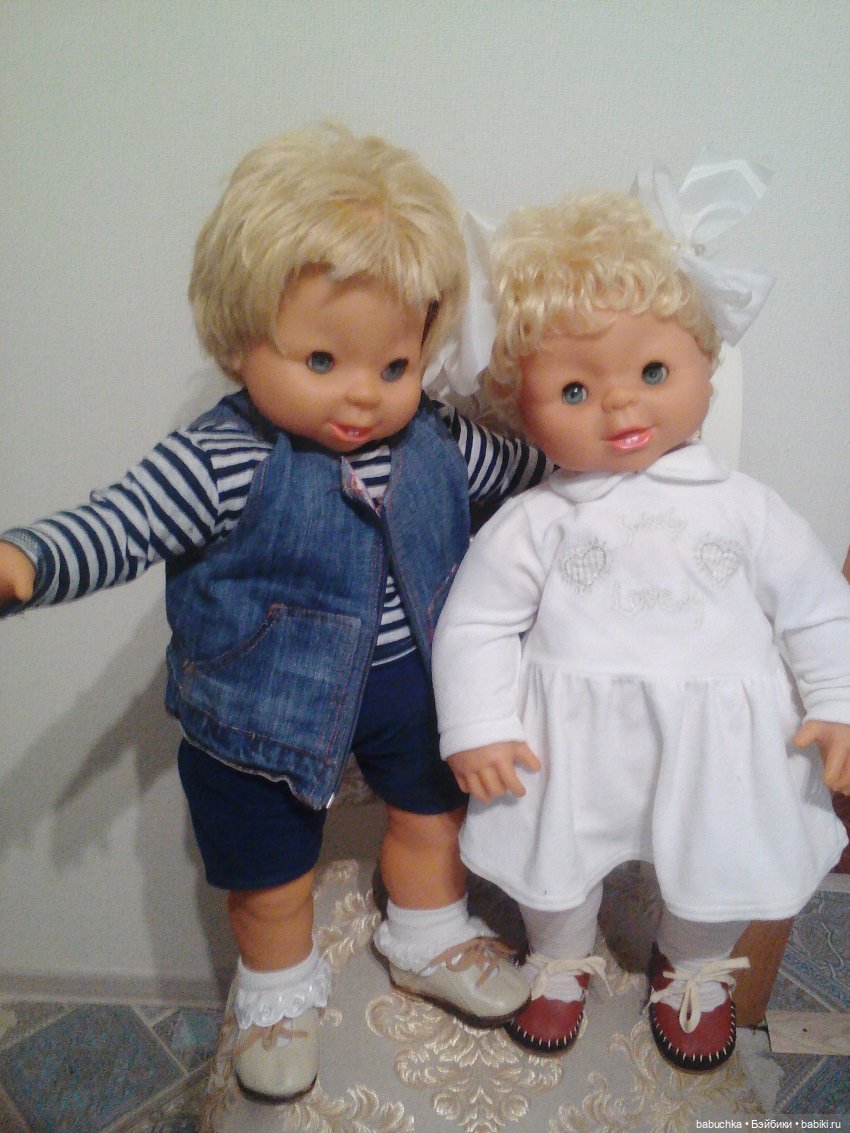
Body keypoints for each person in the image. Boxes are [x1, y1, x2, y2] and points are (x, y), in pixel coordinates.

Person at [0, 124, 548, 1103]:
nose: (363, 394)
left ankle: (427, 931)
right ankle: (275, 989)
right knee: (268, 873)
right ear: (238, 337)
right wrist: (27, 561)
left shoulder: (437, 439)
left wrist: (601, 468)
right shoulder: (222, 457)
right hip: (258, 707)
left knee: (435, 819)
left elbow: (523, 468)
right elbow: (119, 521)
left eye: (394, 365)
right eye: (322, 358)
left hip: (419, 688)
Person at [431, 155, 850, 1072]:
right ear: (522, 406)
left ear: (706, 364)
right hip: (568, 739)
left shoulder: (747, 508)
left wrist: (836, 699)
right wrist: (478, 721)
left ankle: (690, 963)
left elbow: (818, 604)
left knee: (720, 853)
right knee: (553, 856)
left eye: (653, 368)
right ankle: (559, 950)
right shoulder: (536, 520)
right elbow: (476, 622)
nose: (620, 401)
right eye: (575, 390)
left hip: (721, 735)